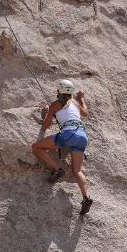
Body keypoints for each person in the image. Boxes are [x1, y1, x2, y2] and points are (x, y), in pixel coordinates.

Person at [31, 79, 94, 215]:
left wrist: (47, 113)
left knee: (36, 147)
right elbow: (85, 113)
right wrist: (81, 99)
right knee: (77, 170)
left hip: (68, 134)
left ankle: (57, 169)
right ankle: (86, 197)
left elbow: (46, 125)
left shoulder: (55, 104)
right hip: (82, 137)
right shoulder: (75, 103)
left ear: (59, 90)